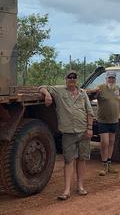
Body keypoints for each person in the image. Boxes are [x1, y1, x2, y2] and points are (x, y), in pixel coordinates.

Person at [40, 71, 94, 200]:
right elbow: (42, 87)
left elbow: (89, 112)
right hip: (68, 133)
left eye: (74, 77)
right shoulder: (59, 91)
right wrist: (47, 94)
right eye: (69, 77)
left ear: (77, 80)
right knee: (69, 160)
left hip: (83, 131)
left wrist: (90, 128)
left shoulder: (82, 93)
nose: (72, 79)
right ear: (66, 79)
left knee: (82, 159)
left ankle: (80, 187)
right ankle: (66, 190)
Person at [85, 71, 120, 176]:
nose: (111, 80)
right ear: (106, 79)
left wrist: (119, 111)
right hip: (103, 120)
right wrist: (95, 93)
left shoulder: (117, 88)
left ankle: (109, 163)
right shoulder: (100, 87)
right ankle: (104, 164)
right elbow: (92, 97)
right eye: (109, 78)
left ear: (115, 79)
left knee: (111, 141)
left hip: (114, 120)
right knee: (104, 142)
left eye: (113, 78)